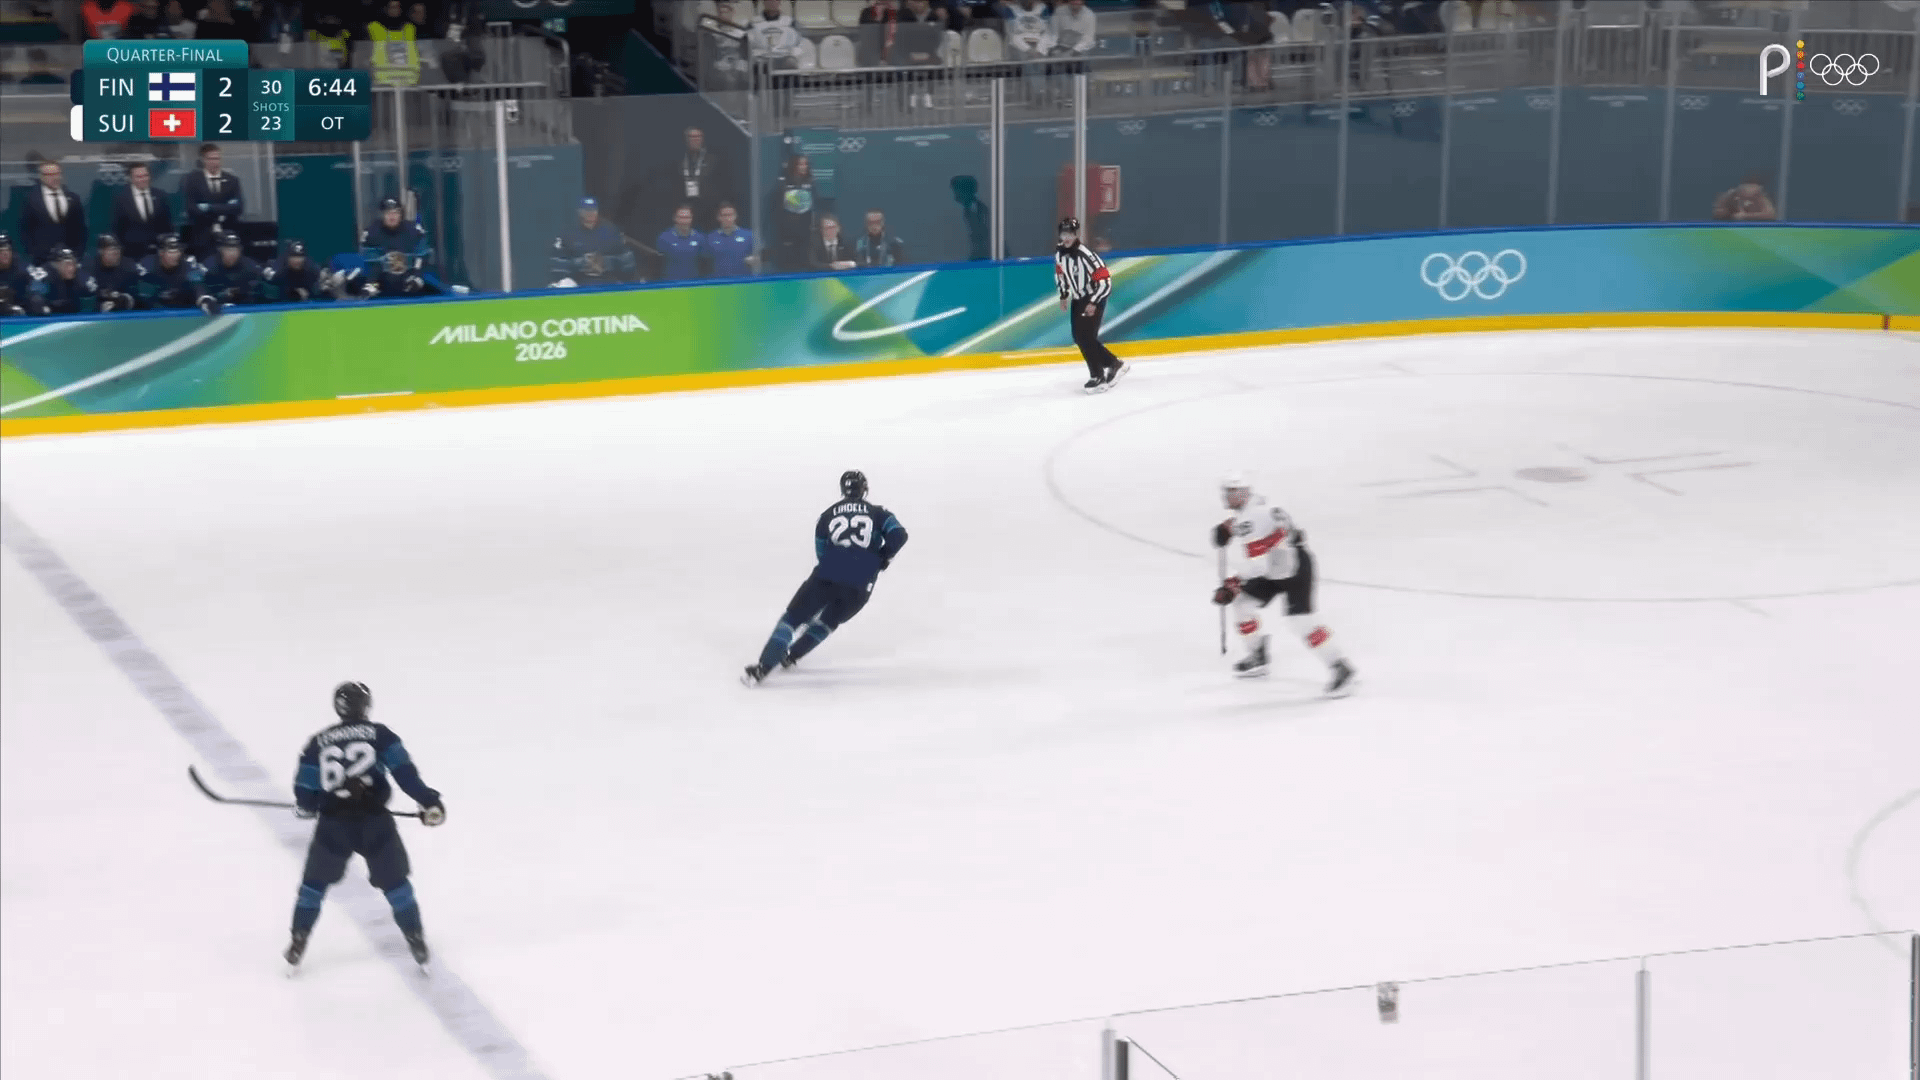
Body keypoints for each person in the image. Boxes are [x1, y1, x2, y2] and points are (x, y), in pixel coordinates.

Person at [284, 681, 446, 971]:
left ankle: (299, 938)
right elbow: (405, 774)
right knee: (396, 883)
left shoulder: (317, 743)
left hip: (333, 825)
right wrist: (429, 801)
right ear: (366, 705)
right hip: (375, 822)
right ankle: (415, 937)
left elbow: (305, 794)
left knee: (314, 885)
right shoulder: (380, 735)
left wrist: (307, 806)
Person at [743, 470, 909, 685]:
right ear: (864, 489)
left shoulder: (827, 515)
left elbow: (821, 551)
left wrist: (834, 566)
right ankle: (792, 656)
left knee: (793, 619)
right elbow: (899, 535)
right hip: (862, 579)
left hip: (832, 568)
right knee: (829, 621)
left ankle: (763, 667)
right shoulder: (879, 513)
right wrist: (881, 559)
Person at [1210, 474, 1355, 695]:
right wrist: (1229, 528)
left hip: (1293, 568)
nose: (1226, 496)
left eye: (1230, 492)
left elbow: (1258, 565)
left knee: (1301, 622)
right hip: (1278, 564)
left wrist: (1233, 584)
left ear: (1243, 493)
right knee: (1242, 604)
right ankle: (1257, 655)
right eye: (1225, 491)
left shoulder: (1250, 518)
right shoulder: (1258, 504)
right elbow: (1263, 527)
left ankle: (1340, 667)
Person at [1054, 216, 1124, 393]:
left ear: (1076, 234)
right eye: (1064, 234)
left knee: (1086, 337)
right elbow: (1060, 275)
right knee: (1079, 337)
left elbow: (1105, 281)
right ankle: (1113, 364)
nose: (1066, 237)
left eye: (1070, 233)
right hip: (1078, 299)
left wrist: (1094, 302)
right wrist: (1064, 295)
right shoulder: (1060, 254)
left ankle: (1098, 376)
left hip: (1094, 297)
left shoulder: (1087, 256)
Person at [550, 196, 635, 286]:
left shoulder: (611, 231)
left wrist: (606, 262)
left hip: (608, 281)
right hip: (578, 283)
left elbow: (628, 264)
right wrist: (582, 263)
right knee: (563, 284)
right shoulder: (568, 233)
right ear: (580, 212)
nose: (590, 214)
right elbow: (557, 267)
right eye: (586, 211)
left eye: (593, 211)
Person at [179, 144, 243, 259]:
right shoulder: (192, 180)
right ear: (203, 160)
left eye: (217, 158)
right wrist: (224, 207)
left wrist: (209, 207)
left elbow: (238, 207)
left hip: (228, 235)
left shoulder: (232, 180)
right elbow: (191, 208)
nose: (214, 162)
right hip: (201, 237)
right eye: (210, 159)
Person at [18, 161, 88, 264]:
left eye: (57, 173)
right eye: (49, 174)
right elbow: (24, 230)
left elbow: (81, 229)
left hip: (70, 259)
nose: (54, 177)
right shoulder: (30, 200)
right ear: (42, 177)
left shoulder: (73, 198)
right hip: (41, 260)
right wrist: (32, 255)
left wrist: (78, 255)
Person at [769, 156, 827, 274]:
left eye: (805, 164)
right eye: (800, 164)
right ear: (794, 166)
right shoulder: (783, 183)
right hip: (787, 234)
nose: (803, 167)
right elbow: (776, 208)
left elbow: (816, 205)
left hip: (806, 232)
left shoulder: (811, 183)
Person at [112, 161, 175, 261]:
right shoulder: (121, 199)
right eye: (138, 177)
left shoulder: (160, 196)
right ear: (131, 178)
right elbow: (118, 229)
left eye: (145, 175)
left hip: (159, 256)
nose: (143, 179)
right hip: (131, 255)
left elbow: (168, 226)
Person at [135, 233, 210, 311]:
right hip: (152, 312)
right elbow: (140, 296)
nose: (176, 255)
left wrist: (204, 299)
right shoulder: (147, 265)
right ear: (161, 252)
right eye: (171, 252)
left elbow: (198, 286)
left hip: (183, 310)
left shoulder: (188, 264)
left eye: (178, 251)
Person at [359, 196, 430, 271]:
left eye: (395, 212)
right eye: (388, 213)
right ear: (382, 215)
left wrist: (416, 272)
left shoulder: (414, 231)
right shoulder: (371, 233)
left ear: (401, 214)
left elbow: (422, 256)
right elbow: (369, 262)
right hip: (380, 275)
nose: (392, 217)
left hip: (410, 273)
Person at [26, 248, 98, 316]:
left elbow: (93, 295)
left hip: (72, 316)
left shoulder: (81, 276)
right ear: (56, 265)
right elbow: (34, 297)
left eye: (73, 264)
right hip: (47, 317)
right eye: (67, 264)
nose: (71, 268)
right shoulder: (45, 276)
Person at [367, 0, 423, 88]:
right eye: (393, 7)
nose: (396, 10)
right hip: (383, 80)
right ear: (385, 8)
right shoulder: (374, 28)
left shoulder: (409, 29)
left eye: (398, 7)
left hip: (408, 79)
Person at [200, 231, 261, 310]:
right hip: (215, 308)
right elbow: (198, 287)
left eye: (235, 249)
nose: (232, 253)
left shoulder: (250, 265)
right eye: (228, 249)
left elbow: (260, 285)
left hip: (244, 307)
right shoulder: (209, 266)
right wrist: (206, 299)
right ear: (221, 249)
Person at [86, 234, 141, 312]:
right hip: (96, 315)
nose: (116, 254)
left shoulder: (128, 267)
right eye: (111, 250)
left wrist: (122, 302)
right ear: (101, 252)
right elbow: (86, 299)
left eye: (117, 250)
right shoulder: (91, 267)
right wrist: (100, 307)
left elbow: (137, 299)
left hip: (125, 314)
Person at [260, 238, 323, 303]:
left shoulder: (312, 270)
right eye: (293, 256)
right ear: (287, 258)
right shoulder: (279, 269)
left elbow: (315, 294)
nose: (297, 260)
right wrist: (294, 290)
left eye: (300, 257)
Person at [704, 201, 757, 278]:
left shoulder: (749, 235)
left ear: (735, 216)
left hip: (743, 282)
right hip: (719, 282)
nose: (727, 218)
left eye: (730, 215)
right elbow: (705, 264)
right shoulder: (711, 238)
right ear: (718, 217)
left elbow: (763, 257)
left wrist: (755, 260)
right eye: (724, 215)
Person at [654, 205, 706, 282]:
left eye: (687, 217)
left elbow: (705, 263)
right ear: (675, 218)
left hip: (693, 283)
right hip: (670, 283)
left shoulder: (699, 238)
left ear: (691, 218)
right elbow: (657, 263)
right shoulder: (664, 238)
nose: (684, 221)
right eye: (681, 217)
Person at [951, 175, 989, 261]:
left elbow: (982, 238)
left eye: (956, 190)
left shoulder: (978, 210)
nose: (955, 195)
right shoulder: (968, 210)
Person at [1713, 174, 1778, 222]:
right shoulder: (1730, 196)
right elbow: (1718, 212)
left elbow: (1771, 214)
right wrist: (1730, 213)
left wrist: (1746, 216)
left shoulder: (1760, 197)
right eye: (1749, 188)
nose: (1751, 192)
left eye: (1756, 191)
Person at [0, 234, 34, 317]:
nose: (5, 254)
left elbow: (35, 291)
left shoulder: (22, 268)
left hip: (20, 307)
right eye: (1, 251)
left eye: (8, 250)